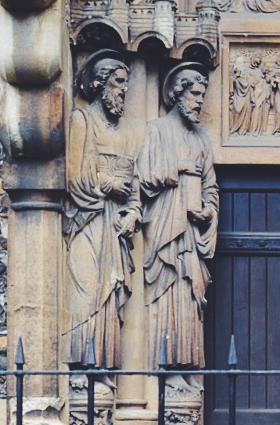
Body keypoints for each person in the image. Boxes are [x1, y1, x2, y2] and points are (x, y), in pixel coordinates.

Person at [137, 64, 218, 381]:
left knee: (189, 296)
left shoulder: (202, 140)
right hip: (166, 230)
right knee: (169, 291)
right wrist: (178, 167)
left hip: (191, 235)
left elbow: (211, 186)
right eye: (194, 94)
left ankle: (185, 371)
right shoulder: (156, 130)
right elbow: (143, 177)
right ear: (177, 94)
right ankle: (166, 374)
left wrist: (208, 211)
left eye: (202, 96)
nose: (199, 102)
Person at [64, 50, 140, 384]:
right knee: (87, 290)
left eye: (126, 83)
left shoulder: (125, 133)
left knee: (110, 293)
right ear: (99, 83)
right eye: (118, 82)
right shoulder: (81, 119)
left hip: (115, 224)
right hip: (88, 218)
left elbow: (135, 180)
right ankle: (81, 367)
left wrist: (134, 212)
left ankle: (102, 368)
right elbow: (74, 176)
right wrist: (108, 184)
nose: (124, 90)